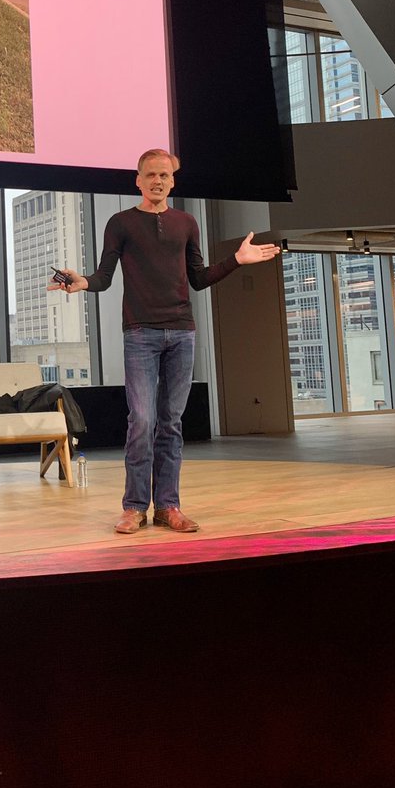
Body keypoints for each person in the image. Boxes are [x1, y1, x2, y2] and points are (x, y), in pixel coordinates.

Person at [49, 149, 280, 535]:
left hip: (182, 332)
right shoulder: (120, 223)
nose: (158, 180)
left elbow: (199, 278)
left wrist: (237, 260)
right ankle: (134, 507)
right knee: (142, 420)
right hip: (140, 333)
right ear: (137, 180)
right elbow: (105, 276)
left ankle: (168, 506)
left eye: (165, 175)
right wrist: (82, 281)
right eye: (151, 174)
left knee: (170, 423)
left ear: (173, 181)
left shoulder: (187, 223)